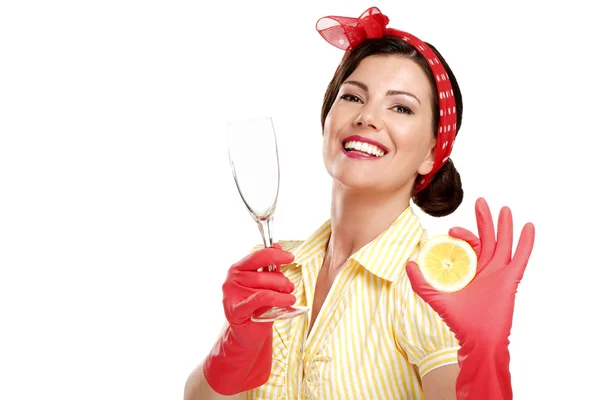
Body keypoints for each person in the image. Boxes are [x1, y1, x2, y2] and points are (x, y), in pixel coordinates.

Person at [184, 6, 535, 400]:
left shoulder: (431, 286)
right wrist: (237, 344)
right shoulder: (277, 268)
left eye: (400, 107)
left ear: (431, 153)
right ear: (327, 119)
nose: (367, 117)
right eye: (352, 96)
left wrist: (485, 356)